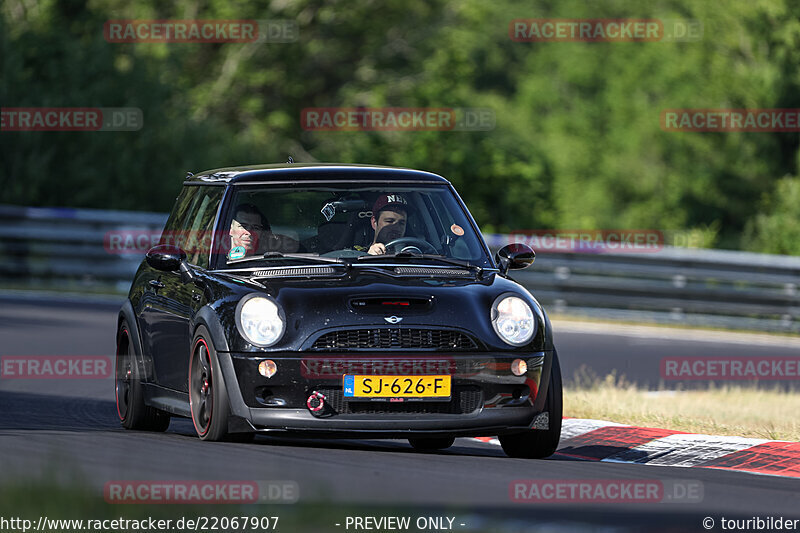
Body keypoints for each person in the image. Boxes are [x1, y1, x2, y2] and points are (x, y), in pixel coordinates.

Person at [227, 203, 299, 259]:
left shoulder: (269, 258)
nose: (249, 232)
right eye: (243, 226)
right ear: (231, 230)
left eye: (256, 228)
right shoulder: (217, 258)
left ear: (262, 233)